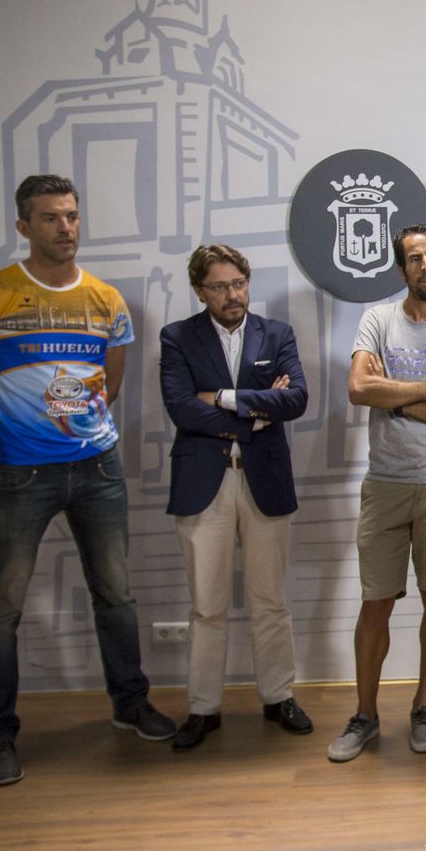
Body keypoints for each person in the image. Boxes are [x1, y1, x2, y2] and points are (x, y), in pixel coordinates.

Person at [0, 174, 174, 786]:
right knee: (1, 608)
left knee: (117, 596)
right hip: (22, 473)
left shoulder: (106, 299)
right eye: (50, 218)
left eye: (72, 216)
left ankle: (131, 705)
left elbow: (112, 383)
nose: (65, 228)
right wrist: (19, 420)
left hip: (98, 468)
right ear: (23, 227)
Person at [334, 224, 426, 762]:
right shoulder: (377, 320)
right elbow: (356, 389)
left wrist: (390, 395)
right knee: (375, 600)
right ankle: (365, 715)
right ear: (402, 269)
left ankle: (424, 706)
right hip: (386, 484)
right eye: (416, 258)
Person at [159, 245, 312, 751]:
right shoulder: (178, 337)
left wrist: (222, 399)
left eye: (239, 284)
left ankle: (278, 696)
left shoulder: (278, 334)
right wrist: (256, 412)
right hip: (205, 484)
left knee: (270, 601)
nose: (233, 295)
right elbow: (182, 409)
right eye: (220, 286)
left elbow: (295, 399)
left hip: (264, 481)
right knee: (208, 607)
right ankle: (204, 709)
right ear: (200, 290)